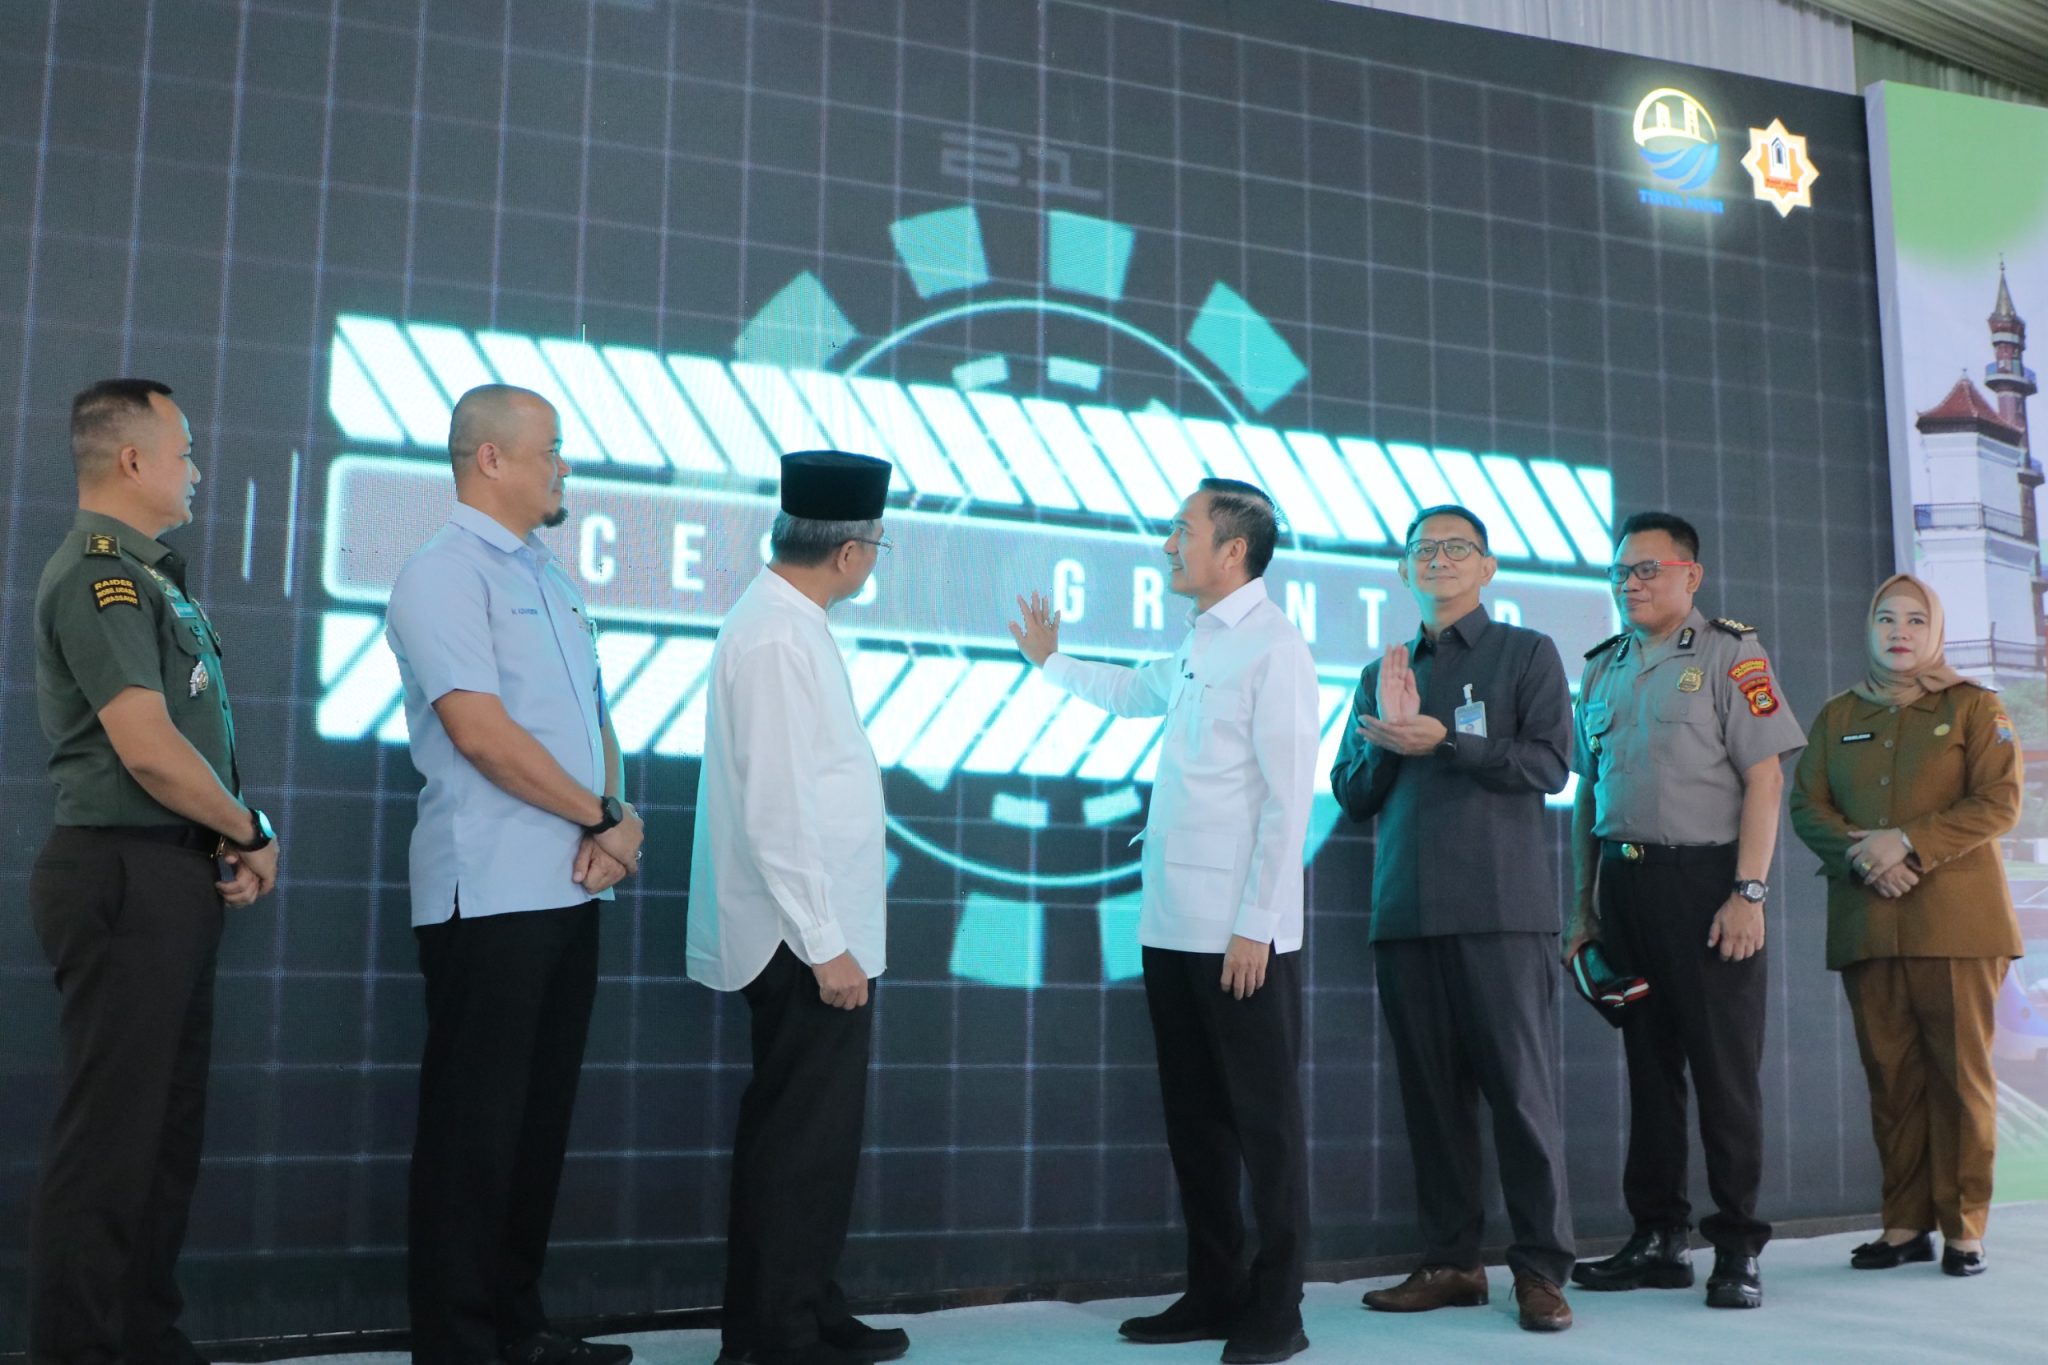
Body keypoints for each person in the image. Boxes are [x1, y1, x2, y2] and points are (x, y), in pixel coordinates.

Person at [1009, 479, 1319, 1365]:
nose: (1167, 543)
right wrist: (1049, 661)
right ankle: (1215, 1288)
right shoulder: (1200, 639)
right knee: (1196, 1118)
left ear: (1234, 550)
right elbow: (1132, 692)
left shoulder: (1275, 646)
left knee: (1264, 1124)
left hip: (1238, 936)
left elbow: (1287, 800)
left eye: (1182, 529)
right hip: (1173, 924)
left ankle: (1279, 1305)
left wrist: (1257, 923)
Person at [384, 384, 643, 1365]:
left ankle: (515, 1327)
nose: (563, 467)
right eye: (551, 450)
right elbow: (481, 734)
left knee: (536, 1125)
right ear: (490, 458)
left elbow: (592, 715)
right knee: (474, 1131)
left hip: (570, 884)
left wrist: (609, 817)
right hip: (487, 894)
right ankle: (457, 1343)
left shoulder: (549, 573)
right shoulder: (442, 573)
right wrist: (602, 816)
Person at [26, 378, 281, 1365]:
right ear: (132, 461)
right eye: (185, 451)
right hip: (125, 874)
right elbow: (148, 748)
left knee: (162, 1139)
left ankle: (145, 1339)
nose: (198, 471)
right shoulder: (102, 579)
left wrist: (221, 836)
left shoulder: (150, 577)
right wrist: (249, 828)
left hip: (170, 875)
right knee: (112, 1143)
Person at [1329, 505, 1575, 1333]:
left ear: (1487, 565)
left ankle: (1540, 1270)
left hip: (1502, 913)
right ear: (1403, 571)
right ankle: (1452, 1262)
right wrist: (1387, 739)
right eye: (1422, 550)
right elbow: (1352, 793)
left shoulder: (1527, 652)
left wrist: (1445, 742)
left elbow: (1550, 765)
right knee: (1433, 1105)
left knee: (1522, 1100)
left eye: (1455, 547)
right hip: (1406, 913)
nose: (1438, 559)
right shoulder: (1382, 669)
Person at [689, 450, 908, 1365]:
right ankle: (773, 1334)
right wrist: (826, 942)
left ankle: (808, 1307)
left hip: (812, 929)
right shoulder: (778, 636)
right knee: (799, 1138)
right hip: (798, 937)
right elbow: (777, 811)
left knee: (816, 1138)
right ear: (850, 552)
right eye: (877, 546)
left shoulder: (787, 620)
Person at [1564, 511, 1805, 1310]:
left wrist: (1749, 892)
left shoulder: (1733, 654)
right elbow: (1590, 796)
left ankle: (1736, 1245)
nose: (1630, 584)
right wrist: (1582, 908)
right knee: (1649, 1071)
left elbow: (1766, 778)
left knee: (1724, 1076)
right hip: (1625, 889)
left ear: (1690, 575)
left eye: (1648, 569)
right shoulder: (1602, 667)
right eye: (1620, 572)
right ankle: (1659, 1236)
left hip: (1708, 888)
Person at [1788, 573, 2022, 1278]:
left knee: (1959, 1078)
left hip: (1958, 924)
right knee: (1890, 1079)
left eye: (1916, 620)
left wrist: (1908, 843)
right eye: (1886, 618)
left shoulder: (1975, 706)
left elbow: (1999, 801)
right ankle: (1904, 1225)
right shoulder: (1838, 713)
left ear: (1936, 630)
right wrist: (1867, 857)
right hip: (1869, 919)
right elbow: (1807, 806)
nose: (1900, 632)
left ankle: (1964, 1229)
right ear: (1869, 628)